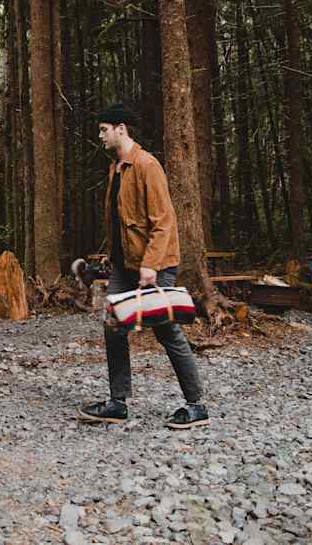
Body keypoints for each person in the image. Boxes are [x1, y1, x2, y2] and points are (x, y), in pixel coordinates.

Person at [79, 102, 209, 430]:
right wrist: (112, 254)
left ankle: (196, 405)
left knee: (166, 330)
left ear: (121, 129)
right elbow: (122, 219)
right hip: (125, 265)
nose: (101, 136)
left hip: (155, 264)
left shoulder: (147, 165)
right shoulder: (116, 167)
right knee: (113, 326)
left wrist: (151, 265)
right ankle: (118, 402)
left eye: (104, 130)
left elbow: (164, 221)